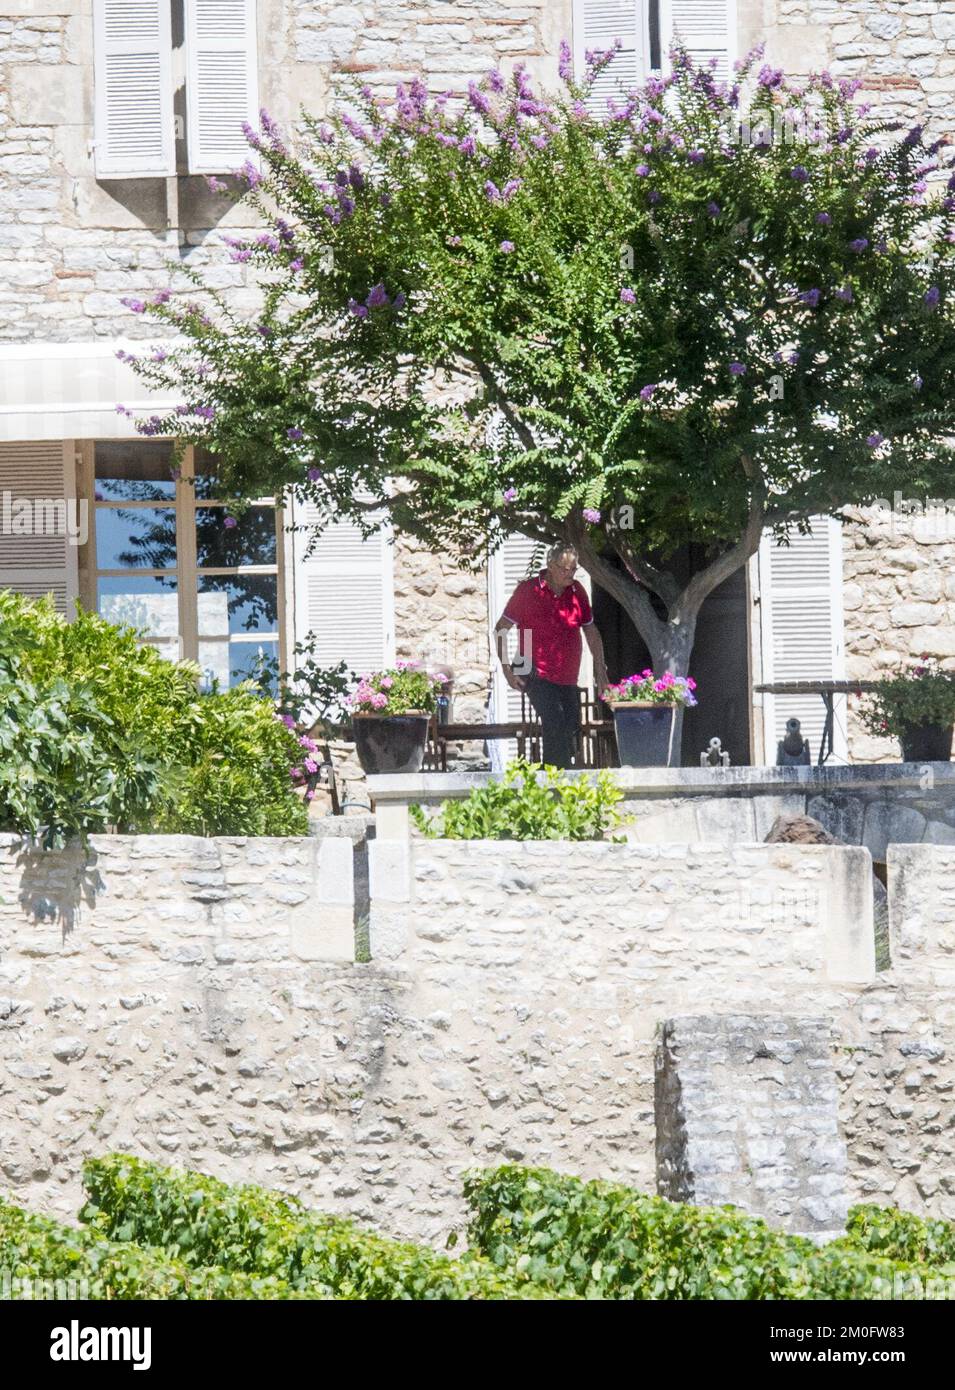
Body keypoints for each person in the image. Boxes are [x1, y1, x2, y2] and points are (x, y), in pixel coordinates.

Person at [494, 543, 609, 768]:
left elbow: (592, 633)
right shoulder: (528, 591)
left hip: (566, 672)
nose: (569, 574)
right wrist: (507, 670)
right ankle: (556, 783)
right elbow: (500, 629)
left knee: (571, 728)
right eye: (564, 569)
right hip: (528, 664)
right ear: (550, 565)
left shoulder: (577, 592)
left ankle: (556, 774)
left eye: (573, 569)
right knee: (554, 719)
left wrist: (601, 673)